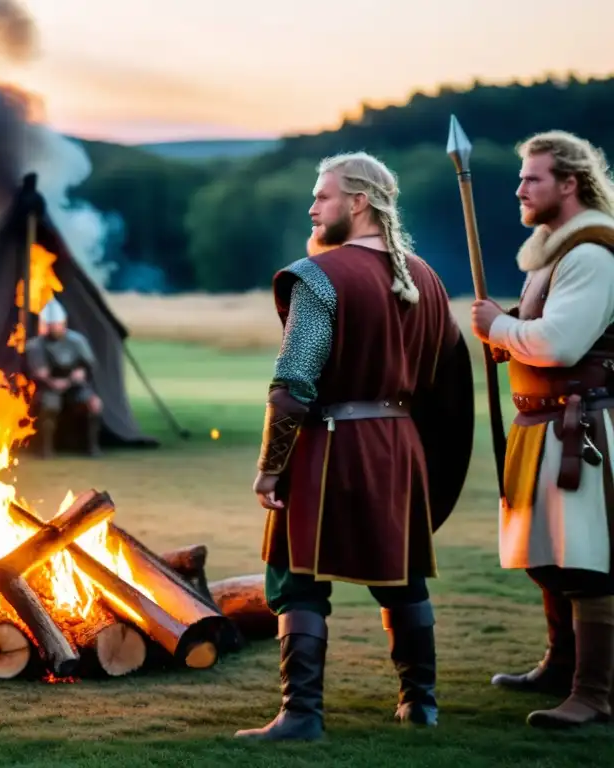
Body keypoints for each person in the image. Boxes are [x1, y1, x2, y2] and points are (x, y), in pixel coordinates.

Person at [234, 152, 474, 741]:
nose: (312, 206)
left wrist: (271, 468)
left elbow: (292, 387)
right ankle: (421, 705)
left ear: (359, 202)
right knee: (402, 576)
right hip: (399, 449)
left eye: (324, 195)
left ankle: (301, 715)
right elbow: (448, 385)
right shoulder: (426, 278)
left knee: (297, 578)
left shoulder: (321, 277)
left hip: (332, 448)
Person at [472, 130, 614, 729]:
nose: (520, 189)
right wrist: (507, 326)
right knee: (550, 556)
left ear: (569, 184)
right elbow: (538, 329)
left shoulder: (591, 254)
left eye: (532, 178)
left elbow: (559, 342)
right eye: (520, 177)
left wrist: (496, 328)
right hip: (543, 421)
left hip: (578, 424)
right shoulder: (554, 254)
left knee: (586, 561)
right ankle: (561, 664)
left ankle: (594, 691)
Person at [25, 298, 103, 457]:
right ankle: (45, 449)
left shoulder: (77, 341)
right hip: (48, 387)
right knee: (49, 406)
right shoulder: (35, 346)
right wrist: (52, 381)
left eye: (56, 324)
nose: (53, 328)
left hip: (75, 386)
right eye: (50, 325)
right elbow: (40, 373)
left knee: (93, 404)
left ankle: (92, 447)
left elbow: (89, 365)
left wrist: (80, 374)